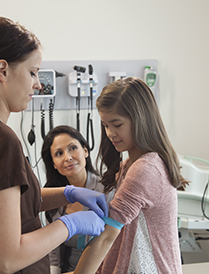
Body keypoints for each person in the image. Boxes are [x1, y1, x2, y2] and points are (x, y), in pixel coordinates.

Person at [0, 17, 108, 274]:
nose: (38, 84)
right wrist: (69, 225)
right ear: (2, 70)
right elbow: (4, 260)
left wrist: (68, 193)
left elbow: (9, 203)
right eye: (33, 72)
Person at [73, 77, 189, 274]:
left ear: (140, 119)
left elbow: (107, 236)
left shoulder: (146, 169)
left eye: (117, 124)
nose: (110, 133)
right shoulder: (128, 165)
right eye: (106, 125)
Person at [41, 125, 115, 273]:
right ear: (54, 165)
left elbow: (112, 244)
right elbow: (53, 254)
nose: (68, 157)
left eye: (73, 148)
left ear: (85, 151)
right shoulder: (52, 202)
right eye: (59, 153)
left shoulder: (108, 191)